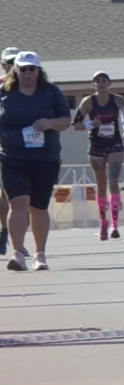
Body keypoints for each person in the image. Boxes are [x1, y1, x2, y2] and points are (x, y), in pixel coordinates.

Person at [4, 54, 74, 272]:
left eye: (31, 69)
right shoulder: (4, 93)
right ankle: (17, 254)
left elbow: (66, 121)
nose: (27, 73)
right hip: (12, 157)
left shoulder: (50, 92)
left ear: (38, 71)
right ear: (16, 71)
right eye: (23, 69)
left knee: (38, 206)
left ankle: (39, 254)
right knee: (18, 203)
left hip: (45, 157)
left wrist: (50, 123)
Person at [75, 72, 124, 241]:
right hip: (96, 146)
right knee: (100, 185)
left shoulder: (118, 100)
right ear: (93, 84)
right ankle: (103, 222)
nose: (101, 84)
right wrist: (90, 124)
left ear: (109, 83)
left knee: (113, 181)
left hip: (114, 144)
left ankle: (115, 224)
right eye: (98, 81)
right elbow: (76, 125)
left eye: (104, 81)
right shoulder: (88, 102)